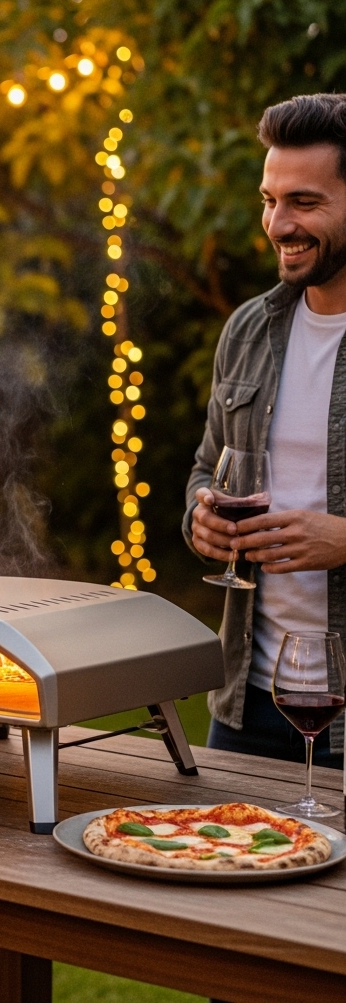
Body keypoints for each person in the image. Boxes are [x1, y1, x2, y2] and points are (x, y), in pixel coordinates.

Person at [186, 92, 346, 772]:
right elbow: (207, 468)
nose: (279, 224)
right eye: (269, 200)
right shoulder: (248, 330)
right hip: (249, 703)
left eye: (303, 202)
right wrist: (200, 519)